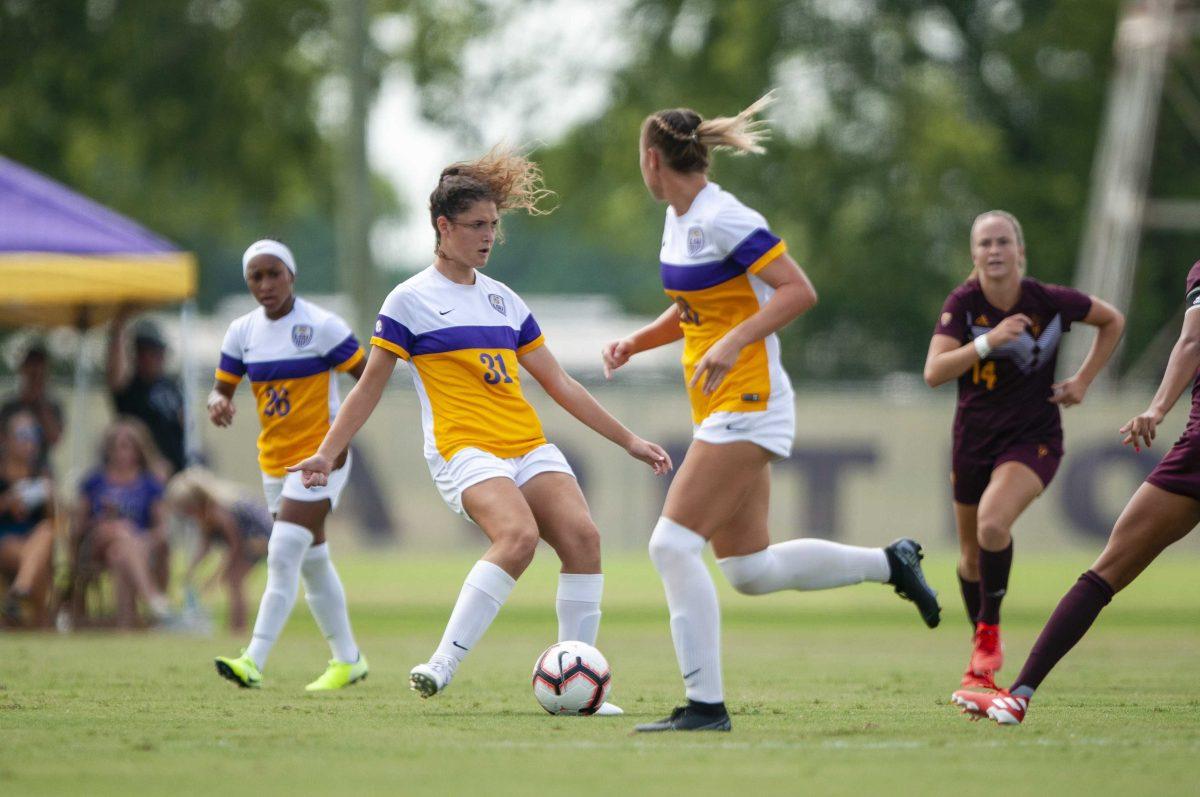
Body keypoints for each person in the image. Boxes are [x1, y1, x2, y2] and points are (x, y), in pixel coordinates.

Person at [601, 94, 941, 734]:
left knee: (671, 546)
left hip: (750, 400)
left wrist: (734, 343)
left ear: (652, 160)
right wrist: (638, 342)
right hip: (719, 403)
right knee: (749, 571)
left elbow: (798, 290)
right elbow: (696, 307)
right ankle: (890, 562)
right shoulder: (679, 220)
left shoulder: (724, 215)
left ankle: (705, 707)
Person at [289, 149, 670, 715]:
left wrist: (629, 440)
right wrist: (326, 451)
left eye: (493, 225)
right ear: (443, 228)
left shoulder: (503, 300)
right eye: (476, 226)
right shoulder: (408, 300)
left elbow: (558, 383)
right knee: (516, 537)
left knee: (584, 540)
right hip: (463, 449)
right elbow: (369, 386)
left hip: (526, 444)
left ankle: (580, 681)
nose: (488, 236)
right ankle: (441, 664)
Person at [951, 258, 1199, 726]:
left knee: (1102, 575)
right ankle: (1016, 695)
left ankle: (1019, 695)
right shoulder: (964, 303)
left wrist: (1157, 407)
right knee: (1100, 571)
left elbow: (1191, 338)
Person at [924, 210, 1124, 691]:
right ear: (973, 256)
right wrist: (988, 343)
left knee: (993, 523)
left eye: (1002, 242)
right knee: (970, 559)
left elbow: (1111, 320)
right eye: (984, 244)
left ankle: (989, 634)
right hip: (973, 440)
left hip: (1033, 437)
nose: (994, 251)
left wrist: (1083, 380)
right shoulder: (965, 304)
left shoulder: (1049, 302)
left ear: (1020, 251)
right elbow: (934, 371)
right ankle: (981, 654)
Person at [208, 239, 369, 692]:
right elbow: (222, 388)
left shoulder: (322, 326)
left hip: (322, 460)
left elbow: (369, 380)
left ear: (291, 275)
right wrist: (217, 401)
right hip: (275, 465)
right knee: (312, 560)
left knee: (281, 553)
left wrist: (339, 443)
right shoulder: (242, 331)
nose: (265, 284)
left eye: (273, 273)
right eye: (255, 277)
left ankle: (252, 659)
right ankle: (348, 659)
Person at [75, 419, 173, 627]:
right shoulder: (94, 481)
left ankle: (125, 624)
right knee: (121, 530)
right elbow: (78, 525)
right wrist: (102, 522)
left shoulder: (150, 484)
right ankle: (152, 597)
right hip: (96, 543)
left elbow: (162, 528)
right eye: (116, 446)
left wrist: (141, 540)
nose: (121, 453)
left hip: (137, 546)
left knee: (119, 554)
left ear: (139, 450)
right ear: (107, 449)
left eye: (127, 446)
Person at [166, 468, 271, 633]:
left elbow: (235, 546)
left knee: (233, 579)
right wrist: (191, 571)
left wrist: (215, 577)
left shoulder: (219, 511)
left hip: (259, 538)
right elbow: (205, 546)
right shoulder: (203, 516)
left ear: (198, 501)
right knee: (232, 580)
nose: (187, 514)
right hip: (244, 542)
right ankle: (235, 627)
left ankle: (239, 628)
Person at [107, 312, 185, 475]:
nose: (158, 358)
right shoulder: (130, 388)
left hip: (177, 466)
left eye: (159, 352)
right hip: (145, 473)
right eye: (151, 353)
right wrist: (119, 325)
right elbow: (115, 374)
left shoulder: (171, 385)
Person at [0, 408, 55, 626]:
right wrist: (7, 501)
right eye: (23, 434)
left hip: (33, 541)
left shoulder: (41, 474)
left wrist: (51, 498)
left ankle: (20, 589)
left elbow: (53, 521)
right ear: (5, 438)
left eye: (34, 434)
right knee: (37, 557)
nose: (29, 441)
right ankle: (41, 622)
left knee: (46, 532)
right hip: (5, 540)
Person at [1, 343, 64, 470]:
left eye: (40, 372)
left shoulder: (52, 405)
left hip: (41, 468)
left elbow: (55, 438)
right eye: (32, 371)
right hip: (12, 469)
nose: (36, 376)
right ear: (23, 370)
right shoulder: (10, 405)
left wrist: (39, 403)